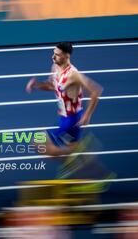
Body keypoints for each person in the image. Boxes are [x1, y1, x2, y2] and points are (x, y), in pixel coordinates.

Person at [26, 42, 111, 188]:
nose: (53, 57)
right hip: (65, 118)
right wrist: (37, 86)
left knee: (36, 142)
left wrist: (87, 115)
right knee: (70, 150)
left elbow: (96, 90)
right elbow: (53, 86)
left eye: (57, 55)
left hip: (72, 120)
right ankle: (100, 176)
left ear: (67, 56)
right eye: (53, 53)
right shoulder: (55, 68)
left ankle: (73, 158)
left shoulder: (74, 74)